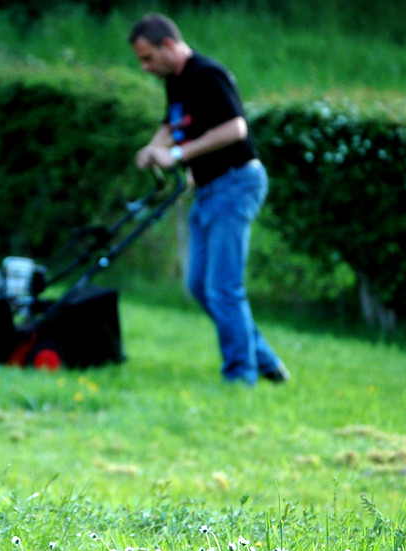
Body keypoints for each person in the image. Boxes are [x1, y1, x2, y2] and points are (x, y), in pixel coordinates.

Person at [129, 14, 289, 386]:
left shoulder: (206, 74)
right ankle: (264, 360)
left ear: (168, 45)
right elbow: (173, 125)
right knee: (200, 285)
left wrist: (180, 155)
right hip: (207, 188)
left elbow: (236, 128)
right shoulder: (176, 81)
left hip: (235, 184)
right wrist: (154, 148)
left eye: (148, 58)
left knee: (223, 288)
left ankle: (240, 377)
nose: (144, 67)